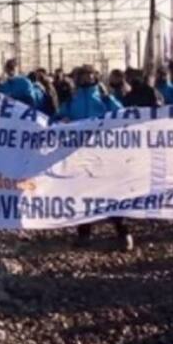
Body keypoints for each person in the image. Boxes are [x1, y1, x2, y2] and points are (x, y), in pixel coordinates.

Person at [59, 66, 131, 251]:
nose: (86, 79)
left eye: (89, 76)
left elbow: (122, 114)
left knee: (112, 193)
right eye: (83, 76)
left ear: (95, 78)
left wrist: (110, 105)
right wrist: (62, 120)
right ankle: (84, 234)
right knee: (83, 193)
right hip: (80, 153)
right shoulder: (71, 101)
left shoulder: (105, 98)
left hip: (103, 153)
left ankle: (123, 233)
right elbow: (58, 117)